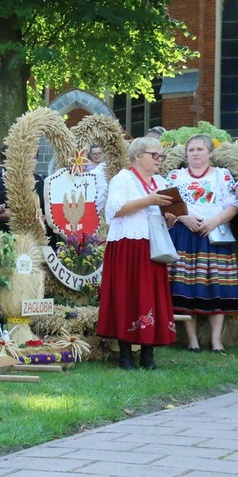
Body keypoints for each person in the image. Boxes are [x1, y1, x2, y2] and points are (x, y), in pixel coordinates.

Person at [97, 137, 177, 370]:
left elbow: (164, 220)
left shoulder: (161, 181)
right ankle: (125, 354)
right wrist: (149, 200)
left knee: (149, 295)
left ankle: (148, 354)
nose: (159, 160)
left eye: (160, 156)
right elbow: (115, 210)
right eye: (154, 155)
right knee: (127, 294)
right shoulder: (123, 179)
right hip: (127, 245)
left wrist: (170, 219)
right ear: (138, 155)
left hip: (152, 245)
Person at [165, 134, 238, 354]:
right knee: (187, 286)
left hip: (215, 235)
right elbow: (166, 203)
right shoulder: (176, 176)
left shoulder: (222, 176)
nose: (195, 153)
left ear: (210, 152)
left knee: (217, 287)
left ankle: (216, 341)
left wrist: (214, 221)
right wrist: (183, 217)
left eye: (199, 149)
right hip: (184, 235)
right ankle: (192, 340)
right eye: (191, 150)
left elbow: (233, 205)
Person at [87, 144, 109, 211]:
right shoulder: (87, 167)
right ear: (91, 155)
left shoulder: (107, 167)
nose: (97, 156)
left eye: (99, 153)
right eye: (94, 154)